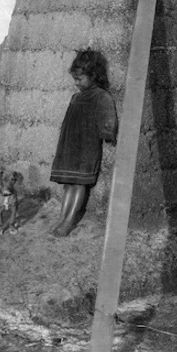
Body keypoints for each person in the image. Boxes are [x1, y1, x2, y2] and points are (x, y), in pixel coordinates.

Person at [50, 49, 117, 237]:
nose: (77, 83)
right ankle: (62, 218)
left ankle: (69, 222)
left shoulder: (101, 96)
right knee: (68, 185)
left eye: (80, 79)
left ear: (93, 76)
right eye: (75, 79)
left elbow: (108, 117)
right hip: (70, 147)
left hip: (87, 147)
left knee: (79, 184)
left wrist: (108, 133)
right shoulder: (76, 97)